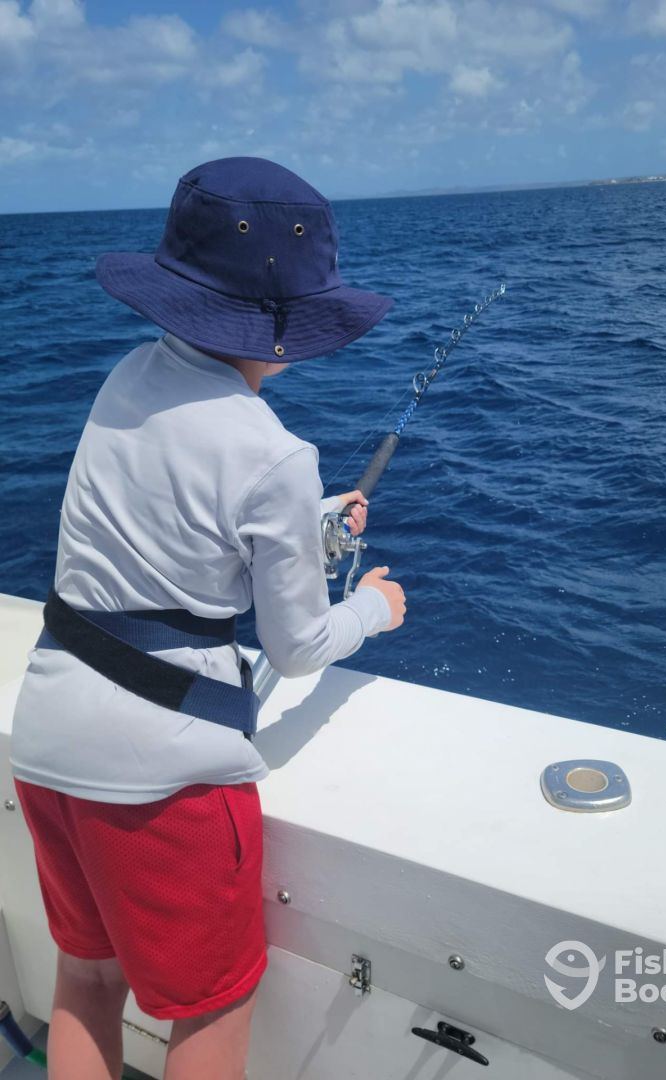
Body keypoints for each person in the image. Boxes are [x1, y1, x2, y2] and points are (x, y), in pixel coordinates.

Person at [10, 156, 406, 1080]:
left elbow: (172, 516)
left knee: (87, 980)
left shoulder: (126, 377)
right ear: (289, 326)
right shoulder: (276, 454)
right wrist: (371, 610)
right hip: (161, 786)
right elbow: (298, 648)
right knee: (212, 1011)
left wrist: (308, 522)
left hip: (47, 745)